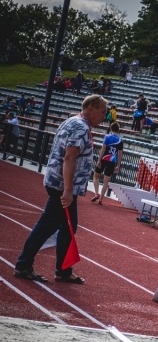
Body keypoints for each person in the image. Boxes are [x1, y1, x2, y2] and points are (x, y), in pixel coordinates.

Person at [14, 94, 108, 284]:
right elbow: (69, 158)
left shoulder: (73, 121)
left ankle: (63, 270)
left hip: (57, 182)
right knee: (47, 225)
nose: (104, 116)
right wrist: (68, 190)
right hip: (61, 185)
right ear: (90, 108)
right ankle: (24, 265)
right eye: (102, 112)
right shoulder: (80, 128)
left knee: (68, 226)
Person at [91, 122, 123, 205]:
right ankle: (101, 199)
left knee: (96, 176)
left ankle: (96, 193)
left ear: (111, 129)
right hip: (112, 161)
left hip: (104, 158)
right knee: (106, 181)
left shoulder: (107, 136)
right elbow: (120, 154)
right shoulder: (120, 140)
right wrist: (118, 165)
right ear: (118, 130)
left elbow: (103, 148)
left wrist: (99, 160)